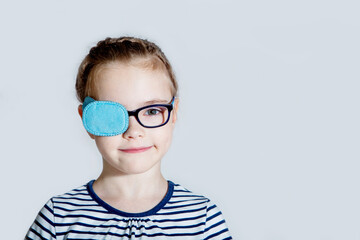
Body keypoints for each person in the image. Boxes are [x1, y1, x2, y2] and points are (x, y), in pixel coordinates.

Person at [25, 36, 232, 239]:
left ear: (174, 112)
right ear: (86, 120)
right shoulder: (58, 219)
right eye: (111, 115)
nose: (133, 131)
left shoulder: (201, 218)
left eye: (151, 111)